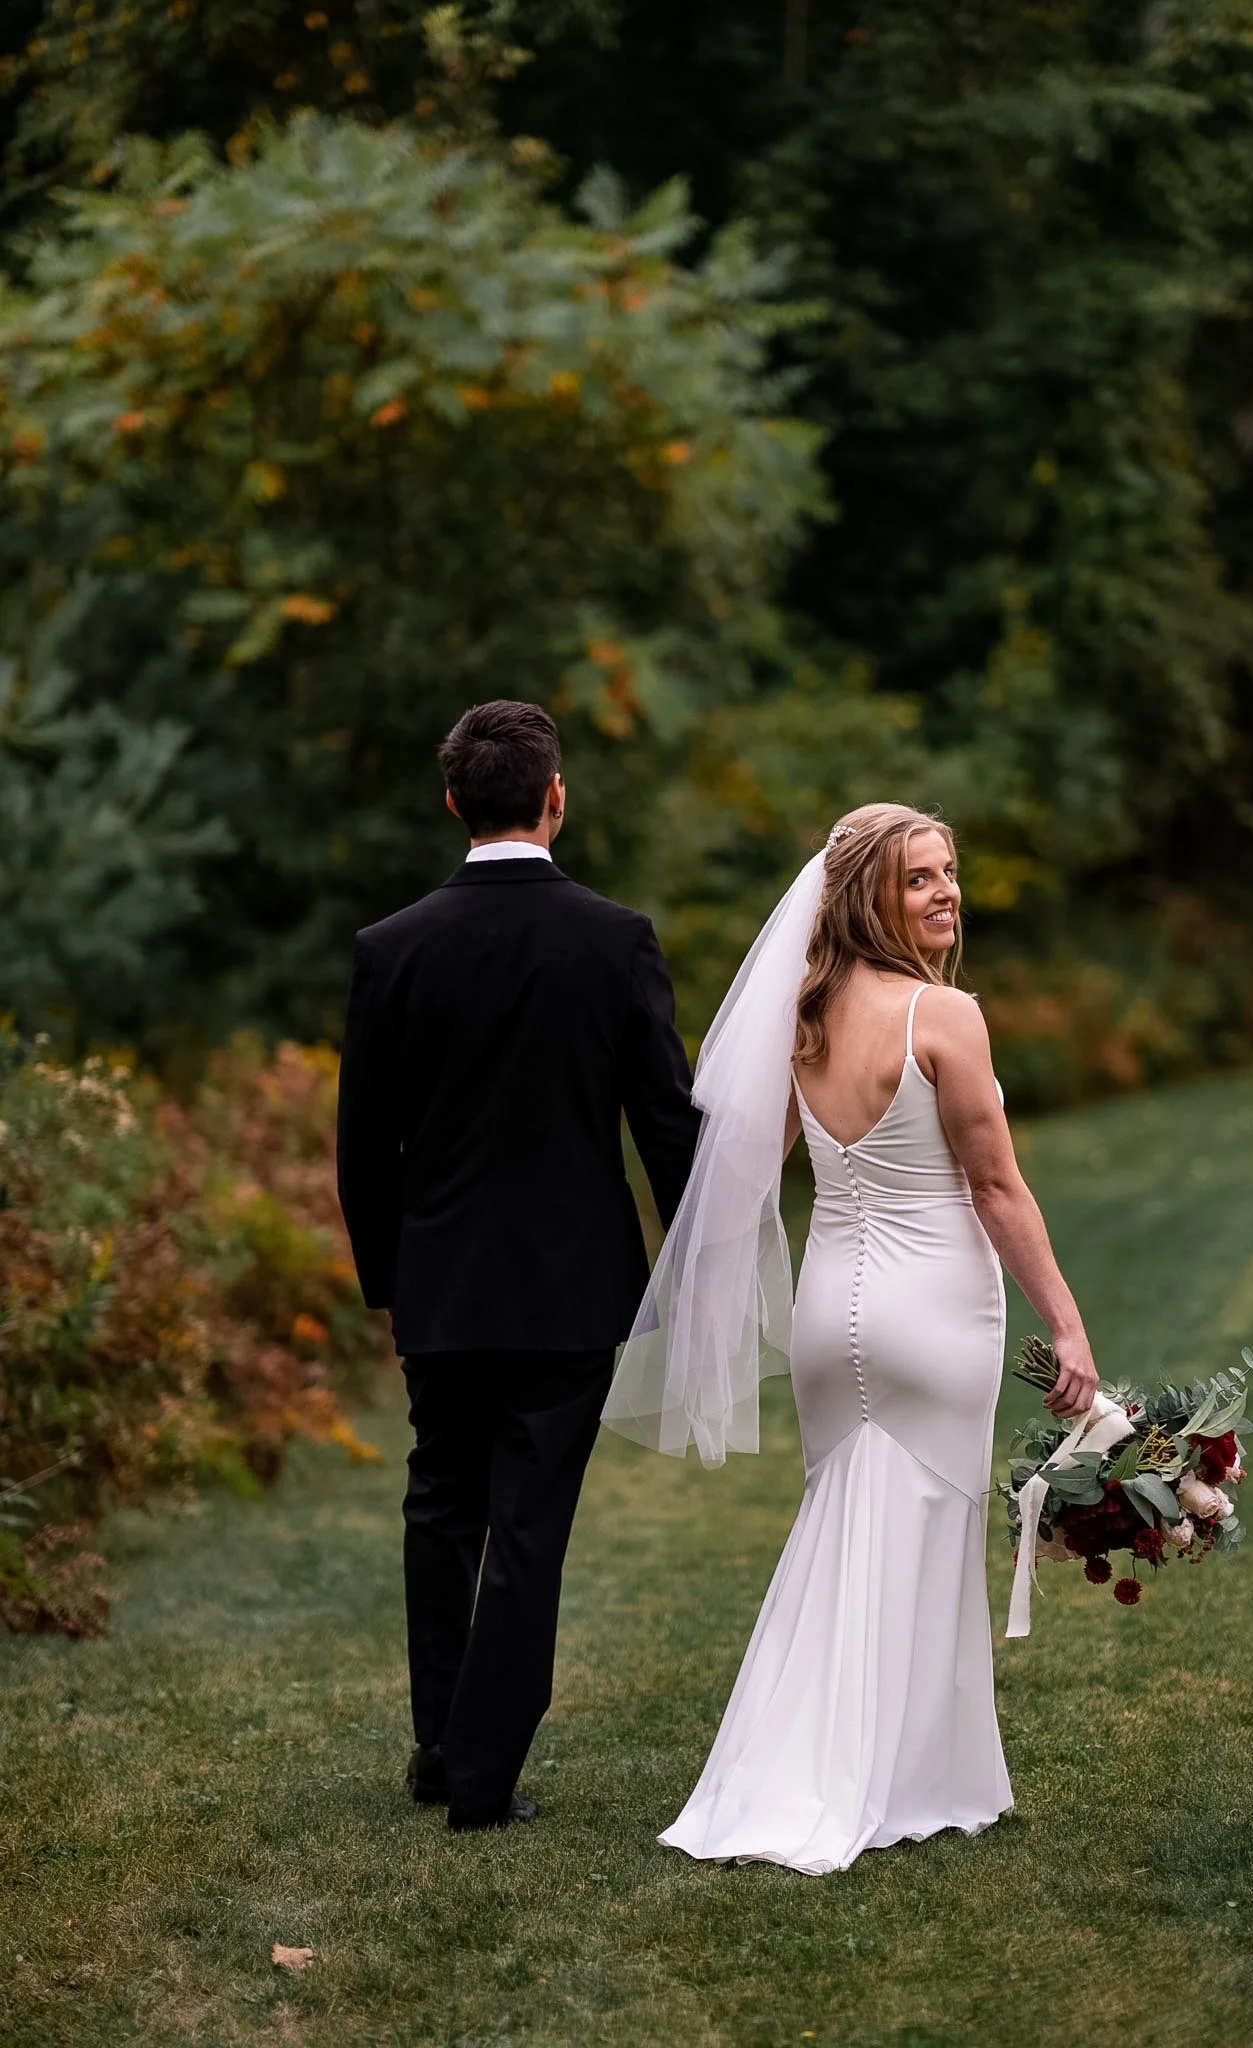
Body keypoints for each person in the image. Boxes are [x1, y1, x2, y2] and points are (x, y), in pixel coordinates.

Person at [604, 802, 1098, 1874]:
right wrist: (1067, 1321)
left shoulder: (806, 1018)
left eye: (950, 872)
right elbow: (998, 1183)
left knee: (847, 1528)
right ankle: (905, 1777)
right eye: (919, 877)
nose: (946, 892)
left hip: (834, 1312)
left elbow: (735, 1174)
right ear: (870, 893)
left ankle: (829, 1763)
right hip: (934, 1311)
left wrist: (703, 1289)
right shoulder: (944, 1016)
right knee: (918, 1533)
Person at [336, 699, 700, 1832]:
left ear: (455, 801)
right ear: (554, 797)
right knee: (528, 1525)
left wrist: (390, 1279)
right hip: (569, 1285)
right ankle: (479, 1778)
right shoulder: (614, 937)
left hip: (442, 1283)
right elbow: (666, 1123)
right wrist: (694, 1257)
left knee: (440, 1506)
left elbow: (361, 1142)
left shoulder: (389, 947)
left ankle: (444, 1749)